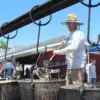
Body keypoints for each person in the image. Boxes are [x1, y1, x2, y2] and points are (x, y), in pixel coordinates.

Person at [53, 13, 86, 84]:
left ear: (76, 24)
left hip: (77, 67)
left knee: (77, 89)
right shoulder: (71, 34)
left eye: (70, 23)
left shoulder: (78, 34)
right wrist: (65, 42)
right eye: (67, 23)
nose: (68, 25)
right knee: (68, 88)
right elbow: (70, 42)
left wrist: (57, 52)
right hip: (70, 66)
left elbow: (73, 47)